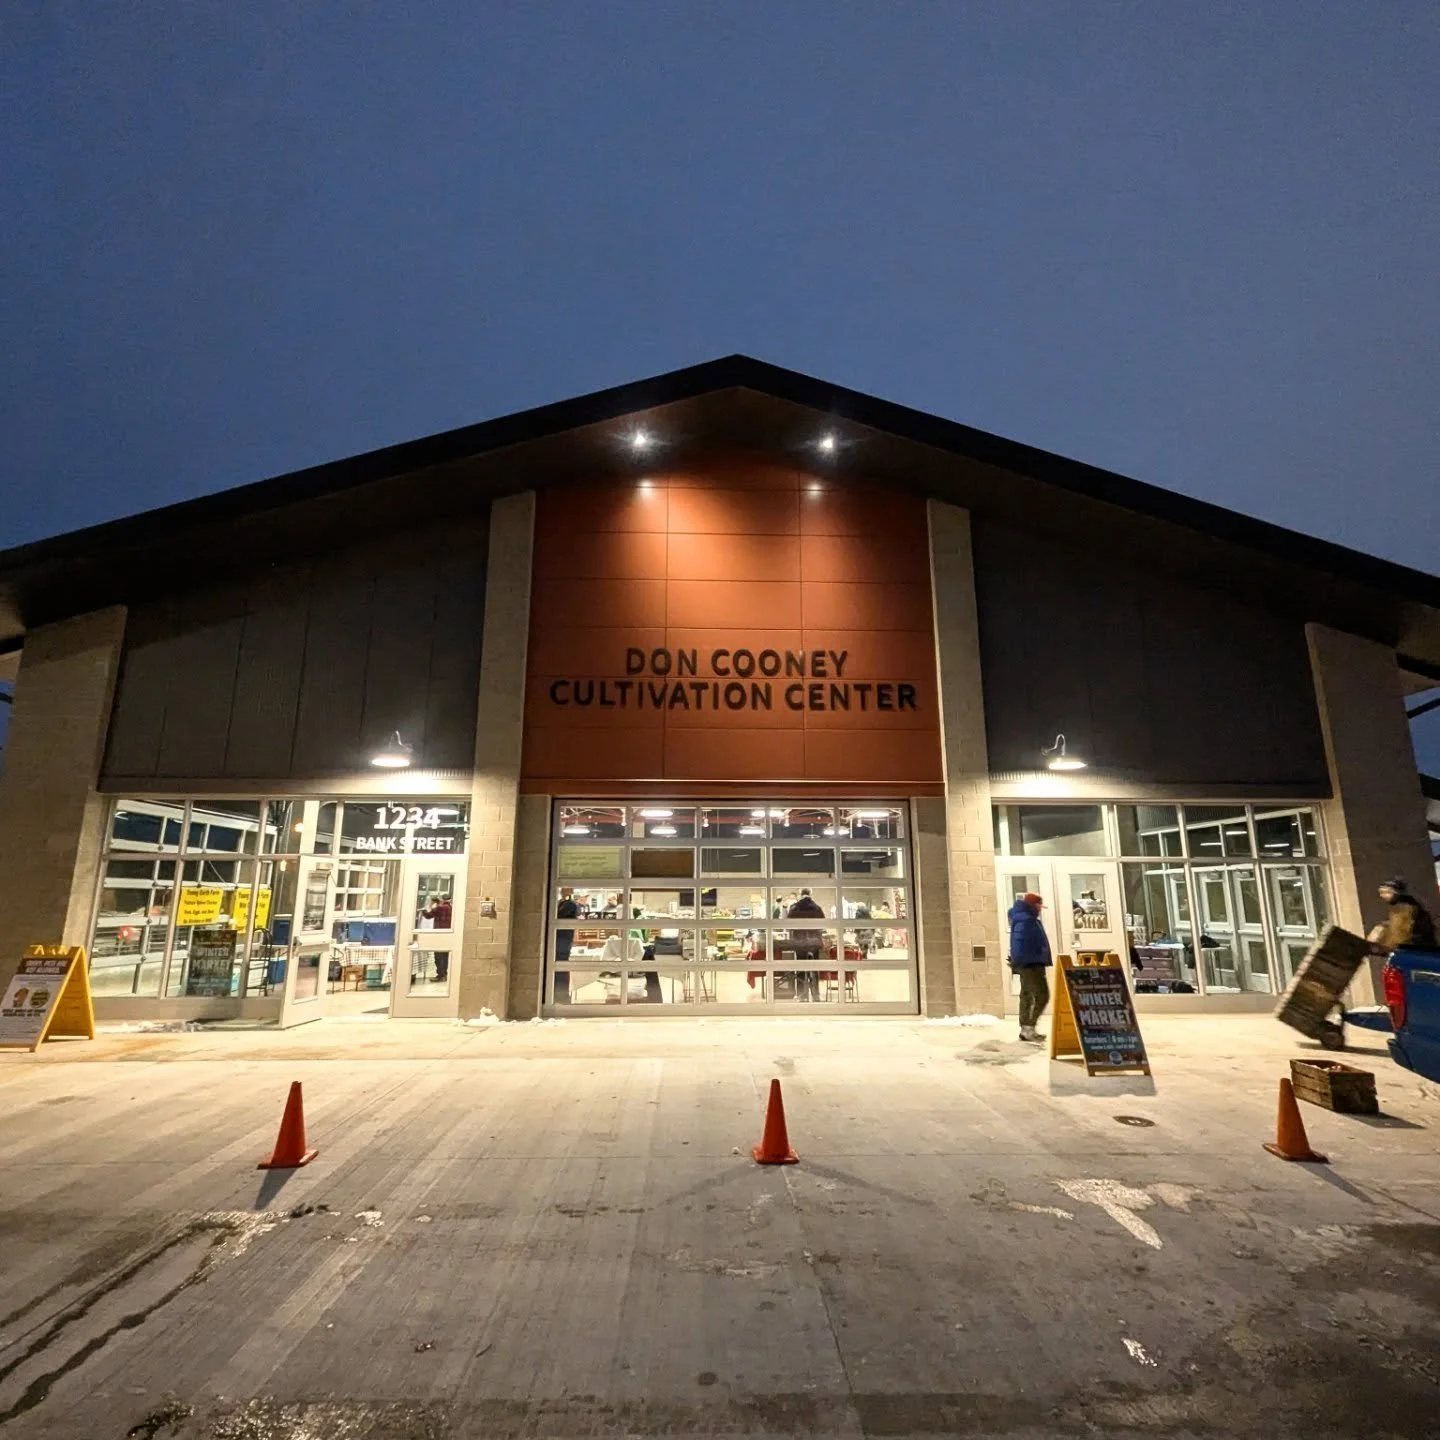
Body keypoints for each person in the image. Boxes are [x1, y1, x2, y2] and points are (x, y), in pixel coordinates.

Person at [1008, 890, 1052, 1042]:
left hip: (1033, 962)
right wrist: (1020, 961)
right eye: (1039, 906)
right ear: (1032, 905)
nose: (1040, 909)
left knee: (1031, 994)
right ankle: (1028, 1027)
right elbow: (1020, 943)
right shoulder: (1025, 920)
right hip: (1030, 964)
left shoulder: (1027, 919)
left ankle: (1028, 1028)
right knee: (1038, 995)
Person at [1371, 878, 1437, 951]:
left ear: (1396, 892)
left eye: (1386, 892)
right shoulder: (1403, 907)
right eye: (1381, 892)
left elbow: (1399, 935)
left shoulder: (1405, 909)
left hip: (1415, 950)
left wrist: (1384, 946)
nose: (1382, 896)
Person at [786, 888, 826, 1001]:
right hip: (814, 942)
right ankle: (816, 994)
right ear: (810, 894)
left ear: (800, 894)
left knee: (800, 968)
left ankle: (801, 995)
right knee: (815, 968)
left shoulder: (794, 907)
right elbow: (823, 924)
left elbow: (788, 924)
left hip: (800, 942)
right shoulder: (817, 907)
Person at [553, 888, 579, 1003]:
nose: (563, 890)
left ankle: (562, 995)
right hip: (558, 938)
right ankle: (556, 993)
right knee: (557, 966)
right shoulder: (559, 903)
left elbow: (559, 916)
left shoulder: (571, 905)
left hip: (563, 938)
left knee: (561, 966)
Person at [421, 890, 453, 982]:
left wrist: (427, 907)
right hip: (448, 934)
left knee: (439, 956)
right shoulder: (451, 907)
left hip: (439, 934)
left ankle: (441, 975)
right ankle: (445, 975)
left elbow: (428, 915)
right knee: (445, 956)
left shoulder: (439, 908)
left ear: (442, 899)